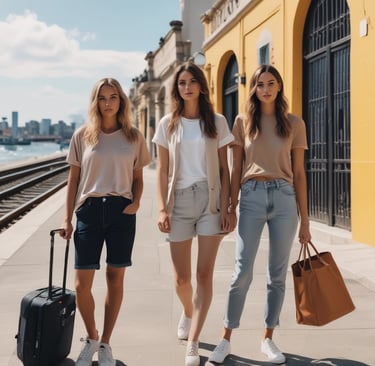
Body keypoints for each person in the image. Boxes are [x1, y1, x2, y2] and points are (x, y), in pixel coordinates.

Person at [209, 64, 312, 364]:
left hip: (284, 198)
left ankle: (268, 338)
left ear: (279, 87)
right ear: (253, 88)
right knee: (242, 271)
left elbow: (300, 173)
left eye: (271, 83)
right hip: (251, 197)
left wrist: (305, 220)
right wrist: (231, 206)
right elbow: (235, 167)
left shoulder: (295, 123)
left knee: (276, 275)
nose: (265, 88)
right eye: (259, 84)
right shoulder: (242, 122)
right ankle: (225, 337)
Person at [60, 77, 151, 366]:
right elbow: (72, 180)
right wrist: (68, 218)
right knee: (81, 284)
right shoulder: (82, 136)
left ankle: (107, 344)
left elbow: (138, 178)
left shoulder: (133, 136)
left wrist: (135, 204)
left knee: (115, 279)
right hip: (88, 211)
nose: (108, 103)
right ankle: (92, 335)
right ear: (95, 102)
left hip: (120, 212)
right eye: (102, 98)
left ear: (121, 101)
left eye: (113, 97)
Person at [152, 61, 236, 366]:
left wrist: (229, 207)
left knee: (203, 274)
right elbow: (162, 170)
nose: (186, 87)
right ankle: (188, 311)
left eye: (191, 81)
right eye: (181, 83)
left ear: (201, 85)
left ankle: (193, 340)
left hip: (210, 200)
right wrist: (162, 207)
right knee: (181, 279)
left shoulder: (217, 122)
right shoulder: (167, 124)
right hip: (179, 203)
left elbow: (225, 170)